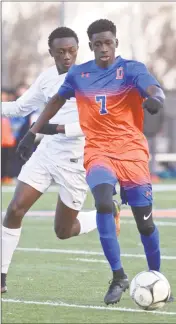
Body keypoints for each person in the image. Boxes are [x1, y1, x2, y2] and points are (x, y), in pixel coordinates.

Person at [16, 19, 172, 306]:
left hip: (133, 153)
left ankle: (157, 277)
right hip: (98, 151)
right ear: (90, 46)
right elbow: (54, 103)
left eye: (108, 42)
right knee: (102, 201)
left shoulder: (131, 70)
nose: (103, 48)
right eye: (98, 44)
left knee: (145, 224)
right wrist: (32, 132)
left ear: (116, 43)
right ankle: (118, 276)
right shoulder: (79, 74)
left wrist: (156, 100)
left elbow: (154, 89)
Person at [1, 26, 121, 294]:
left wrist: (55, 129)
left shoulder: (93, 78)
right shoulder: (46, 78)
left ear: (79, 50)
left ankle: (108, 212)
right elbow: (21, 107)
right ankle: (1, 276)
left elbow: (96, 123)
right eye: (61, 52)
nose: (67, 56)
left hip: (76, 160)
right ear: (51, 53)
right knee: (14, 209)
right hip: (47, 154)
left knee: (64, 231)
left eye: (72, 51)